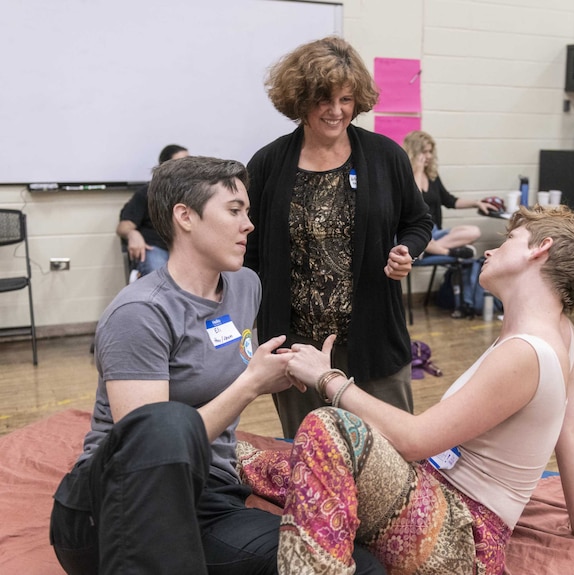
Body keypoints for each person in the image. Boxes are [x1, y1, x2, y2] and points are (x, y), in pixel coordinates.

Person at [49, 156, 384, 575]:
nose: (249, 224)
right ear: (185, 217)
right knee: (165, 423)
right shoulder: (140, 313)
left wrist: (295, 368)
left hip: (208, 495)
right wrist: (250, 384)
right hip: (119, 505)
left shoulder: (245, 284)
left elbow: (232, 365)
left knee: (356, 564)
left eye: (247, 211)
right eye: (234, 211)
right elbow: (152, 451)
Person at [259, 205, 574, 574]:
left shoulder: (528, 351)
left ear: (540, 249)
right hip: (441, 505)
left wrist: (327, 379)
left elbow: (417, 440)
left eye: (509, 240)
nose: (491, 250)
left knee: (329, 425)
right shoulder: (561, 333)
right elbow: (568, 434)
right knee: (256, 461)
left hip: (461, 536)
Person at [244, 36, 434, 439]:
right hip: (297, 348)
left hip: (374, 341)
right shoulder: (268, 163)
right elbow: (250, 252)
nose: (336, 111)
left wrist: (408, 251)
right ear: (300, 100)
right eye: (323, 100)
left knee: (391, 451)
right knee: (313, 454)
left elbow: (418, 220)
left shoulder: (385, 156)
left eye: (346, 100)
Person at [402, 130, 500, 259]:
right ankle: (446, 251)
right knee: (420, 239)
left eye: (430, 151)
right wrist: (418, 171)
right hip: (417, 231)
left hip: (435, 232)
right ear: (414, 153)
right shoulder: (405, 176)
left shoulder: (432, 176)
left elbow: (449, 200)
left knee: (473, 232)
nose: (429, 156)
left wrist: (476, 203)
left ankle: (427, 250)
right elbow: (416, 202)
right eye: (425, 152)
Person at [116, 144, 188, 278]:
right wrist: (132, 234)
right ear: (166, 167)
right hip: (156, 248)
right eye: (180, 163)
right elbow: (124, 226)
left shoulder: (193, 194)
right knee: (161, 274)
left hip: (185, 248)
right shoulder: (147, 193)